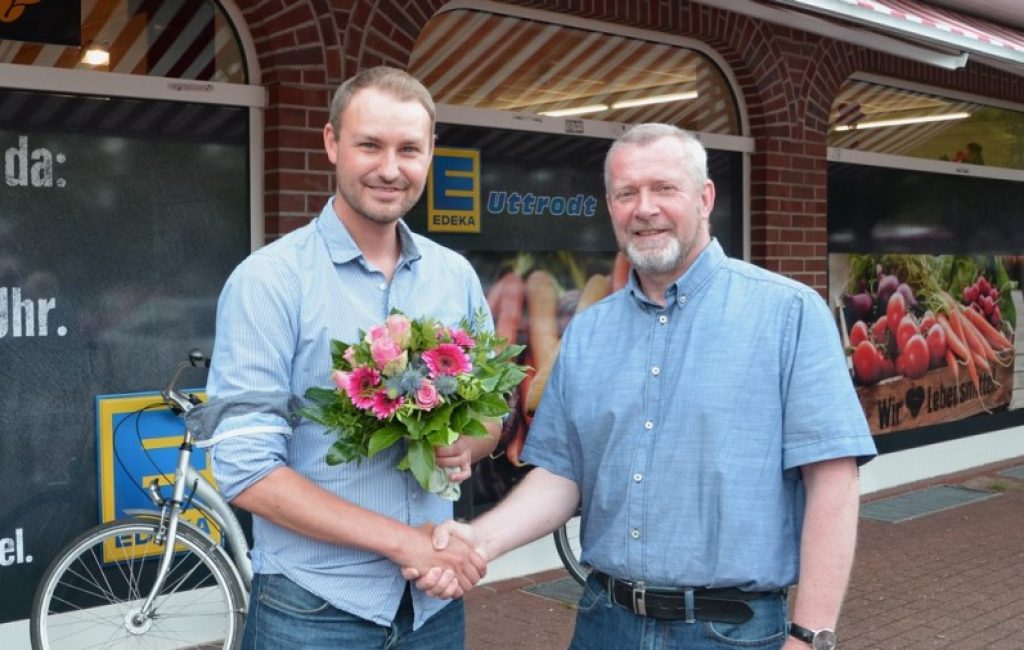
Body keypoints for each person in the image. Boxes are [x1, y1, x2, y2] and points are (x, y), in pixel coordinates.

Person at [411, 123, 878, 650]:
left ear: (704, 198)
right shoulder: (588, 330)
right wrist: (479, 539)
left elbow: (833, 481)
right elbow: (564, 475)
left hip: (731, 634)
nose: (645, 208)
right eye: (627, 193)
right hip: (605, 623)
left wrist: (809, 634)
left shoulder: (789, 313)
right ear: (610, 207)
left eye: (664, 189)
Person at [195, 66, 496, 649]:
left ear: (431, 152)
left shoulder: (454, 276)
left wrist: (469, 442)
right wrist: (401, 540)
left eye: (409, 148)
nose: (390, 168)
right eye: (370, 145)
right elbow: (246, 471)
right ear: (333, 143)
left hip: (433, 607)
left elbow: (491, 410)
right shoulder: (270, 281)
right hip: (312, 610)